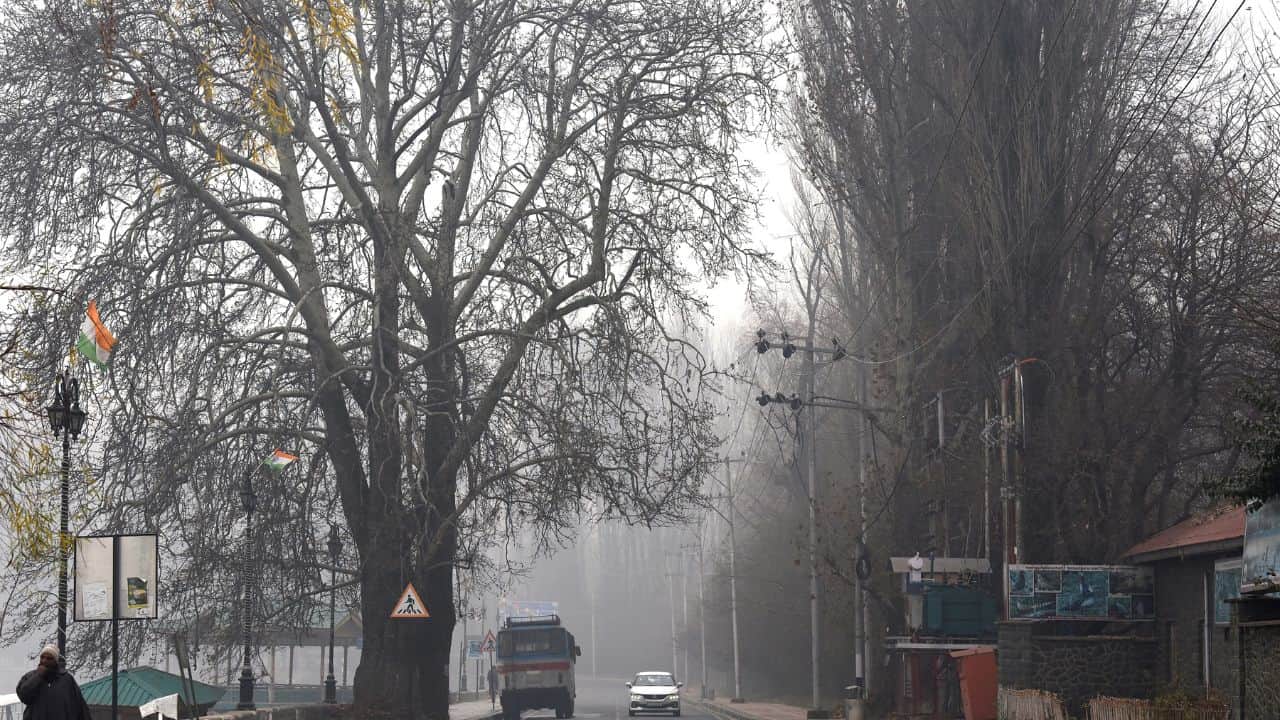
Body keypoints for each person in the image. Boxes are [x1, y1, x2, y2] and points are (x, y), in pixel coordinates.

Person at [16, 646, 92, 720]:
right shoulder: (30, 677)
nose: (44, 661)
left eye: (49, 658)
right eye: (42, 657)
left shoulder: (66, 680)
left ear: (55, 661)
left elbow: (80, 707)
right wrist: (38, 676)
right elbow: (24, 696)